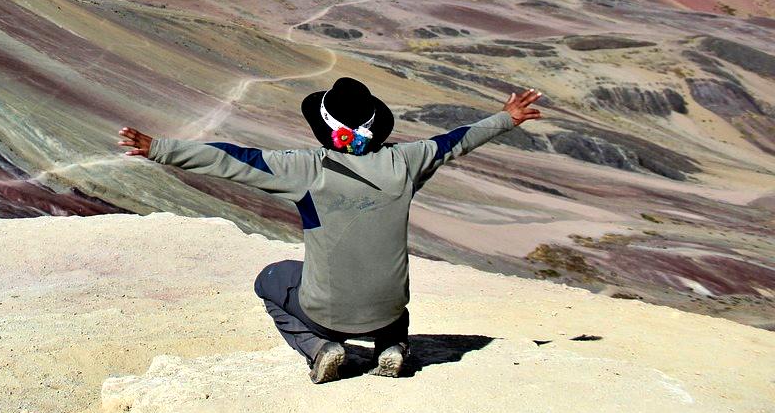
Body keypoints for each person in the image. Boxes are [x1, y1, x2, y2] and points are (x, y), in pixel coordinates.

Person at [119, 78, 543, 384]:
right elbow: (456, 141)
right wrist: (507, 118)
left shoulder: (305, 168)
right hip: (388, 311)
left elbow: (233, 159)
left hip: (328, 313)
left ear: (325, 127)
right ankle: (392, 347)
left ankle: (321, 350)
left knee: (271, 279)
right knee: (387, 285)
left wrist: (158, 148)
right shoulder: (409, 161)